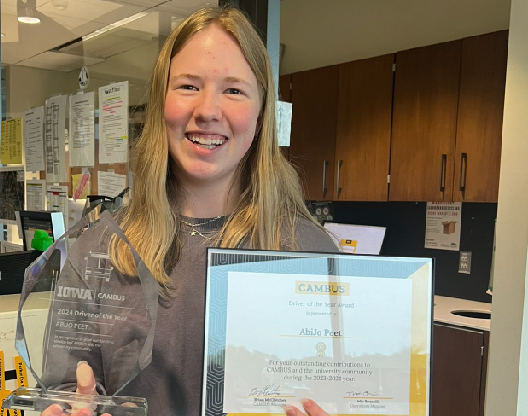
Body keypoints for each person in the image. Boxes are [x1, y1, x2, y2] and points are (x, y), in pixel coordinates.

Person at [42, 5, 338, 416]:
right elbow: (62, 389)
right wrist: (71, 406)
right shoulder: (97, 252)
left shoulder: (312, 254)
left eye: (234, 90)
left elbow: (348, 389)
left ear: (260, 115)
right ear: (161, 103)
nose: (208, 110)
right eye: (188, 86)